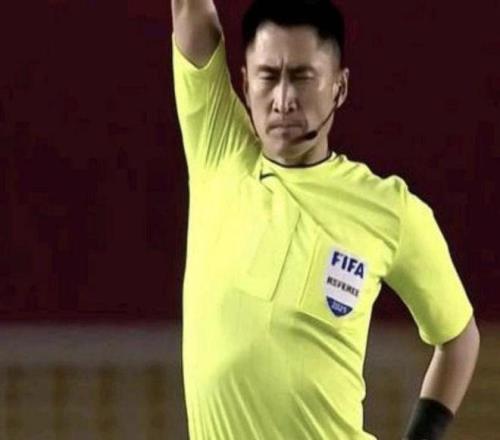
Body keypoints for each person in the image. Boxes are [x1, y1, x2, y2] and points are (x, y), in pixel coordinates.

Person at [170, 0, 480, 438]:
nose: (283, 100)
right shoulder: (217, 151)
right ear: (244, 82)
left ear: (339, 87)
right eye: (267, 76)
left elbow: (460, 340)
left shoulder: (391, 210)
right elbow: (190, 12)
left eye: (302, 77)